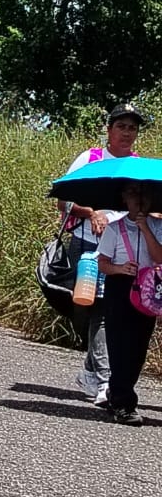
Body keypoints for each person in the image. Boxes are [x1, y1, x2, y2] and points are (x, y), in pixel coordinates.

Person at [57, 103, 144, 403]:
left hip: (122, 248)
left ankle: (98, 376)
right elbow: (64, 201)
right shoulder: (90, 159)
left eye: (132, 128)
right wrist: (92, 213)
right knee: (93, 307)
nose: (127, 133)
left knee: (107, 310)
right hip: (87, 246)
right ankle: (100, 376)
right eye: (121, 126)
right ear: (109, 130)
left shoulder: (137, 167)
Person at [95, 180, 162, 426]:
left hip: (148, 287)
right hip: (120, 287)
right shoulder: (114, 228)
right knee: (119, 344)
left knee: (138, 347)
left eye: (143, 193)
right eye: (133, 193)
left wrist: (145, 228)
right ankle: (124, 402)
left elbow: (159, 257)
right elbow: (102, 263)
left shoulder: (158, 226)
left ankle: (117, 391)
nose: (139, 198)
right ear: (124, 198)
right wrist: (120, 268)